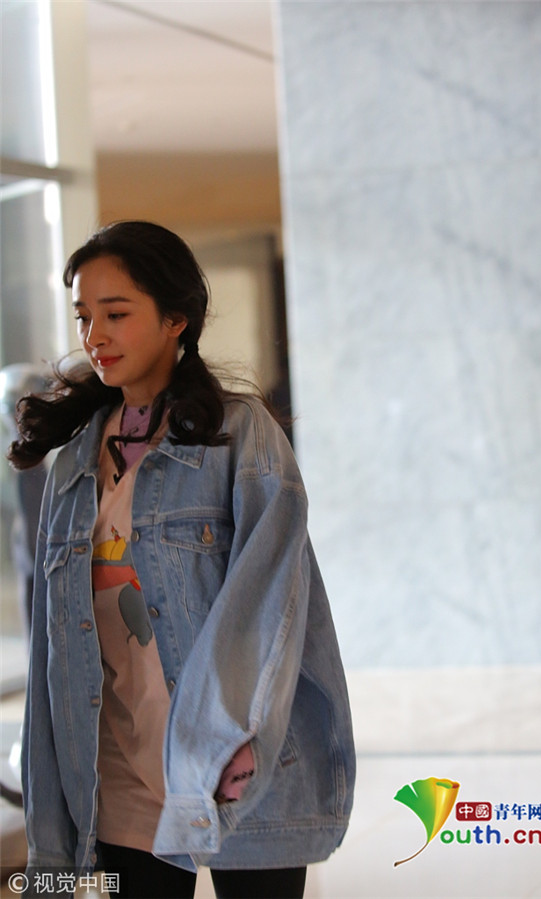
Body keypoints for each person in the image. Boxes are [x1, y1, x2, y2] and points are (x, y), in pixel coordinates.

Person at [8, 221, 355, 899]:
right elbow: (52, 644)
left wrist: (230, 740)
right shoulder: (74, 462)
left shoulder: (240, 436)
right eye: (84, 316)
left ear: (176, 319)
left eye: (116, 314)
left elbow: (268, 606)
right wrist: (50, 816)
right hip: (116, 778)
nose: (95, 335)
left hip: (235, 764)